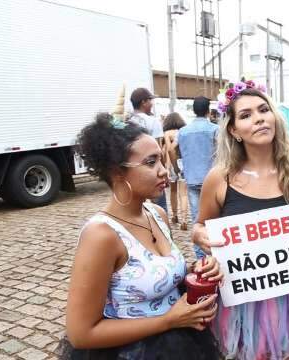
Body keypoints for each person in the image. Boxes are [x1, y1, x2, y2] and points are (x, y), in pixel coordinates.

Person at [191, 80, 289, 359]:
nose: (258, 119)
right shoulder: (220, 178)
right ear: (234, 130)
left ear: (274, 117)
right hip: (243, 300)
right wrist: (198, 235)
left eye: (263, 110)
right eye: (246, 115)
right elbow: (200, 225)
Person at [63, 112, 223, 359]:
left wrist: (195, 272)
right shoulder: (101, 235)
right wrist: (168, 321)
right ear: (117, 172)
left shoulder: (157, 213)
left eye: (161, 160)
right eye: (150, 163)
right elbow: (81, 333)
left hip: (182, 344)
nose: (164, 172)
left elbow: (160, 276)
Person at [178, 96, 219, 259]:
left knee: (198, 220)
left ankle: (201, 257)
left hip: (192, 178)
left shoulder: (183, 131)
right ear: (208, 110)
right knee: (216, 219)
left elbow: (176, 150)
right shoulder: (215, 129)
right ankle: (217, 254)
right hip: (213, 179)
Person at [129, 87, 168, 213]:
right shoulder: (153, 121)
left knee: (137, 206)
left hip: (134, 170)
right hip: (152, 168)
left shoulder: (127, 123)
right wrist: (163, 170)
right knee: (160, 205)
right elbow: (159, 149)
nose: (152, 104)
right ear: (143, 102)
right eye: (150, 100)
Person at [163, 112, 189, 229]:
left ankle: (174, 215)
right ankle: (184, 220)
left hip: (173, 164)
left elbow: (169, 150)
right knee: (183, 194)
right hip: (183, 164)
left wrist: (168, 167)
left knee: (173, 192)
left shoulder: (167, 133)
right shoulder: (184, 132)